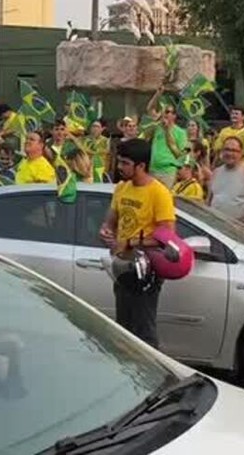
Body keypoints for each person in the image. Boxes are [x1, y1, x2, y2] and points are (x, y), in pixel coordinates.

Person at [98, 139, 175, 347]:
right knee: (124, 329)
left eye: (125, 163)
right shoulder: (122, 188)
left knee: (144, 331)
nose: (120, 167)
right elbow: (111, 220)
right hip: (123, 266)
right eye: (119, 162)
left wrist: (132, 242)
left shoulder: (158, 193)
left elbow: (167, 237)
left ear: (141, 165)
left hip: (146, 269)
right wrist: (106, 231)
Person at [143, 100, 187, 189]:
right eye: (163, 112)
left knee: (165, 197)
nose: (164, 115)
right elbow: (145, 135)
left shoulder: (181, 132)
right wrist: (158, 93)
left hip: (168, 171)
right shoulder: (157, 127)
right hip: (153, 169)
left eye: (167, 112)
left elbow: (180, 154)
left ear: (174, 116)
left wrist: (167, 129)